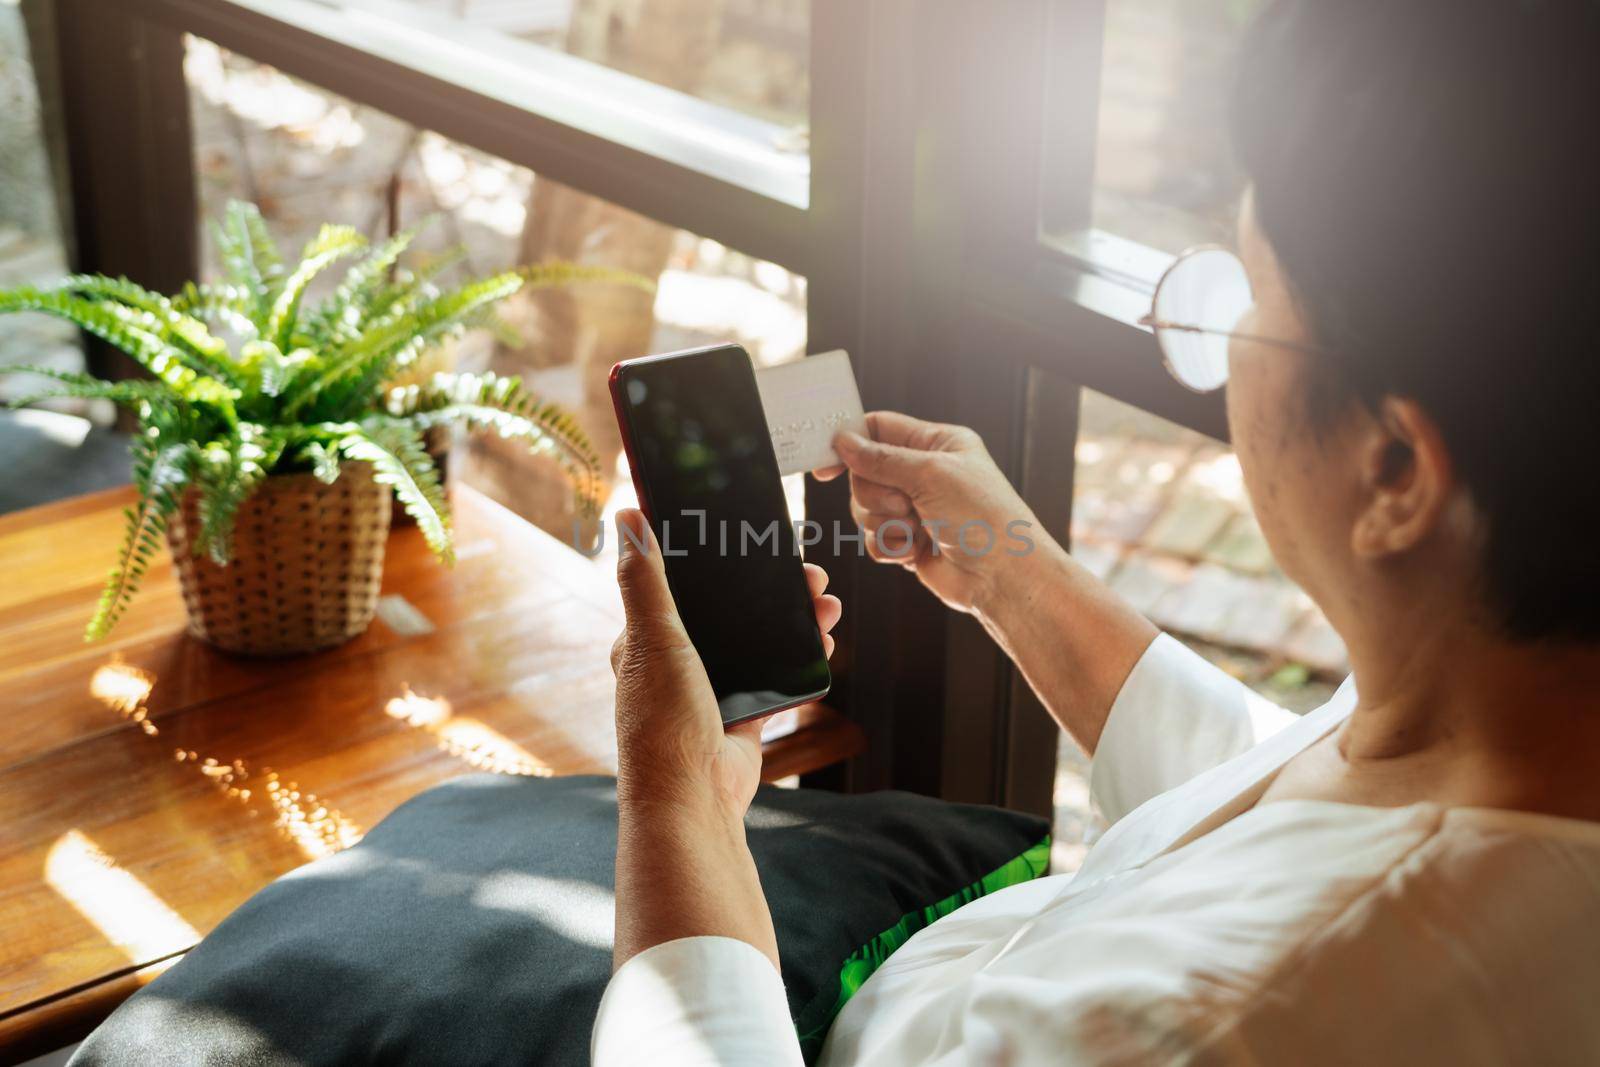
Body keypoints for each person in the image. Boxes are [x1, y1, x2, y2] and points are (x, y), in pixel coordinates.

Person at [593, 1, 1600, 1063]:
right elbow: (1269, 801)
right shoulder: (1497, 711)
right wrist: (1011, 576)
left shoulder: (1218, 1027)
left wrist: (675, 794)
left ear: (1395, 470)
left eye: (1249, 292)